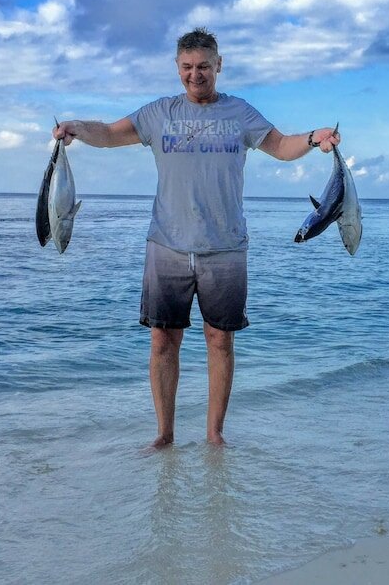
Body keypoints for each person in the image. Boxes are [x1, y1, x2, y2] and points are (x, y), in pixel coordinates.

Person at [52, 28, 339, 448]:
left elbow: (280, 146)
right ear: (177, 67)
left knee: (220, 341)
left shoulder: (239, 113)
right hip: (166, 245)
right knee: (162, 341)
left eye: (204, 66)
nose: (195, 74)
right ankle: (164, 435)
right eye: (187, 67)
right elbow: (111, 133)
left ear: (218, 65)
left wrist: (314, 138)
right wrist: (76, 127)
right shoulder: (158, 113)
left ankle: (214, 435)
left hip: (225, 247)